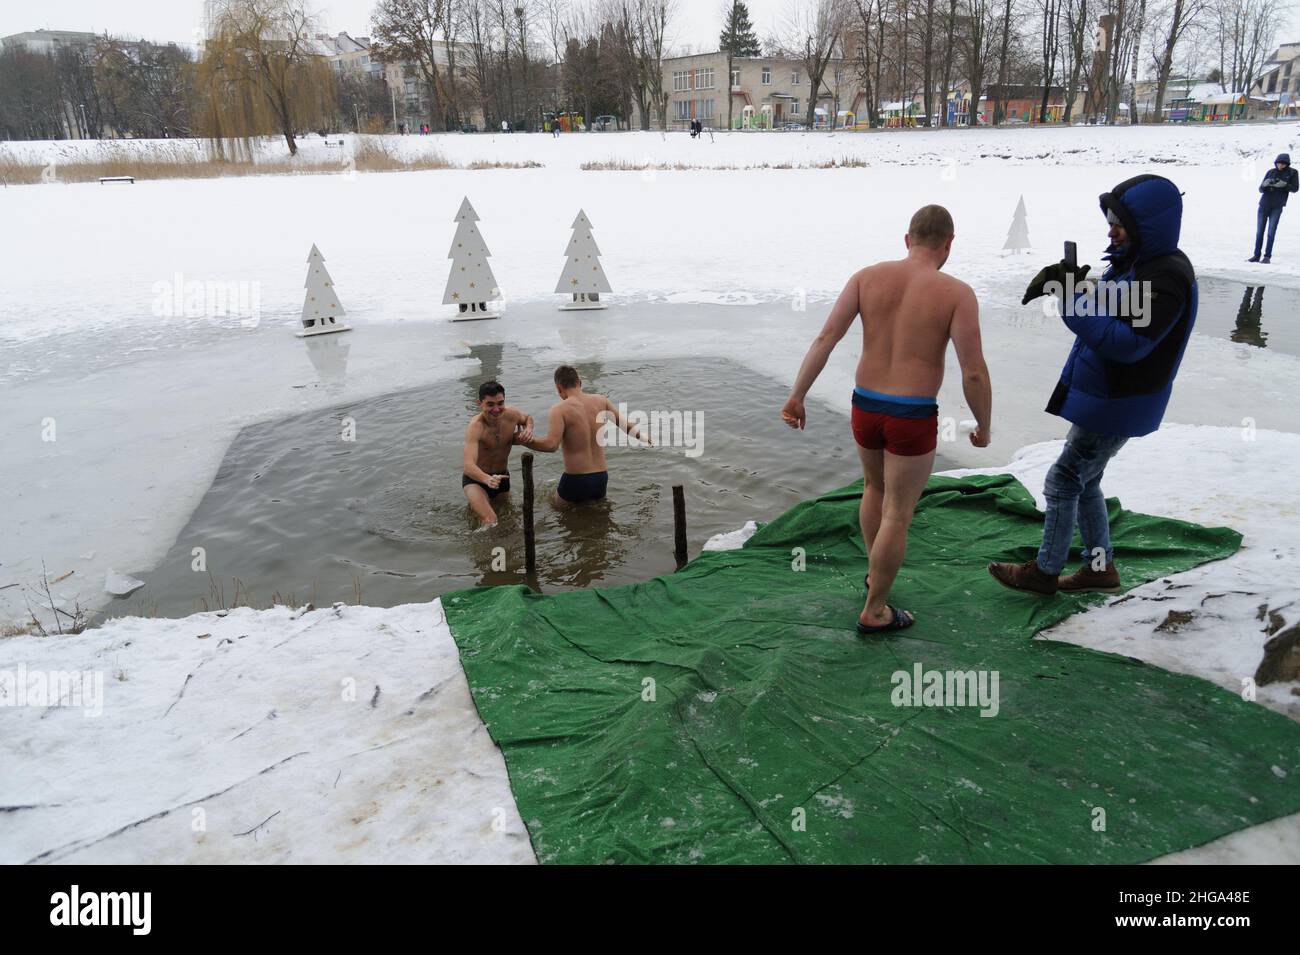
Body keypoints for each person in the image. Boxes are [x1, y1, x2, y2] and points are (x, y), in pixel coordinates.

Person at [781, 205, 992, 635]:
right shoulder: (955, 293)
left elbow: (826, 337)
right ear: (948, 244)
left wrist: (797, 395)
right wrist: (983, 424)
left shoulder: (866, 277)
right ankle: (875, 609)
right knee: (898, 512)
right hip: (911, 414)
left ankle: (874, 574)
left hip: (866, 405)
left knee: (874, 489)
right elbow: (973, 370)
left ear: (907, 239)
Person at [990, 174, 1197, 595]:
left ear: (1147, 225)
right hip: (1112, 397)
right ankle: (1099, 568)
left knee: (1063, 481)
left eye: (1119, 223)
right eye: (1109, 220)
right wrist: (1076, 283)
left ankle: (1045, 571)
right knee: (1086, 481)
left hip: (1119, 401)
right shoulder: (1142, 265)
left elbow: (1129, 342)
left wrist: (1071, 300)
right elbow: (1120, 301)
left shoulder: (1168, 278)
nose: (1110, 230)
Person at [523, 365, 652, 506]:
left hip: (575, 479)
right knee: (598, 519)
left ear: (559, 388)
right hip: (601, 477)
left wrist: (525, 441)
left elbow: (551, 445)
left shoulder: (559, 409)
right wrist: (644, 437)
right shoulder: (601, 401)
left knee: (557, 512)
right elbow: (626, 426)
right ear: (580, 383)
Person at [462, 380, 534, 526]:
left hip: (502, 477)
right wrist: (487, 479)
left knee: (508, 516)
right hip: (477, 481)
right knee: (491, 520)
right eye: (490, 404)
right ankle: (481, 547)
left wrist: (528, 429)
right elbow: (468, 466)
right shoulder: (476, 427)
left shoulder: (512, 414)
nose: (496, 409)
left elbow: (527, 418)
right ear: (480, 403)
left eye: (500, 403)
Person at [1249, 153, 1298, 263]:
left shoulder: (1293, 173)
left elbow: (1295, 188)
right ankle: (1256, 255)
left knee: (1271, 232)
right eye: (1278, 163)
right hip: (1264, 204)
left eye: (1283, 164)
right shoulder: (1270, 172)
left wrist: (1284, 185)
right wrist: (1264, 185)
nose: (1280, 165)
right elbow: (1260, 190)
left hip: (1277, 206)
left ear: (1287, 164)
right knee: (1259, 231)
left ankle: (1267, 257)